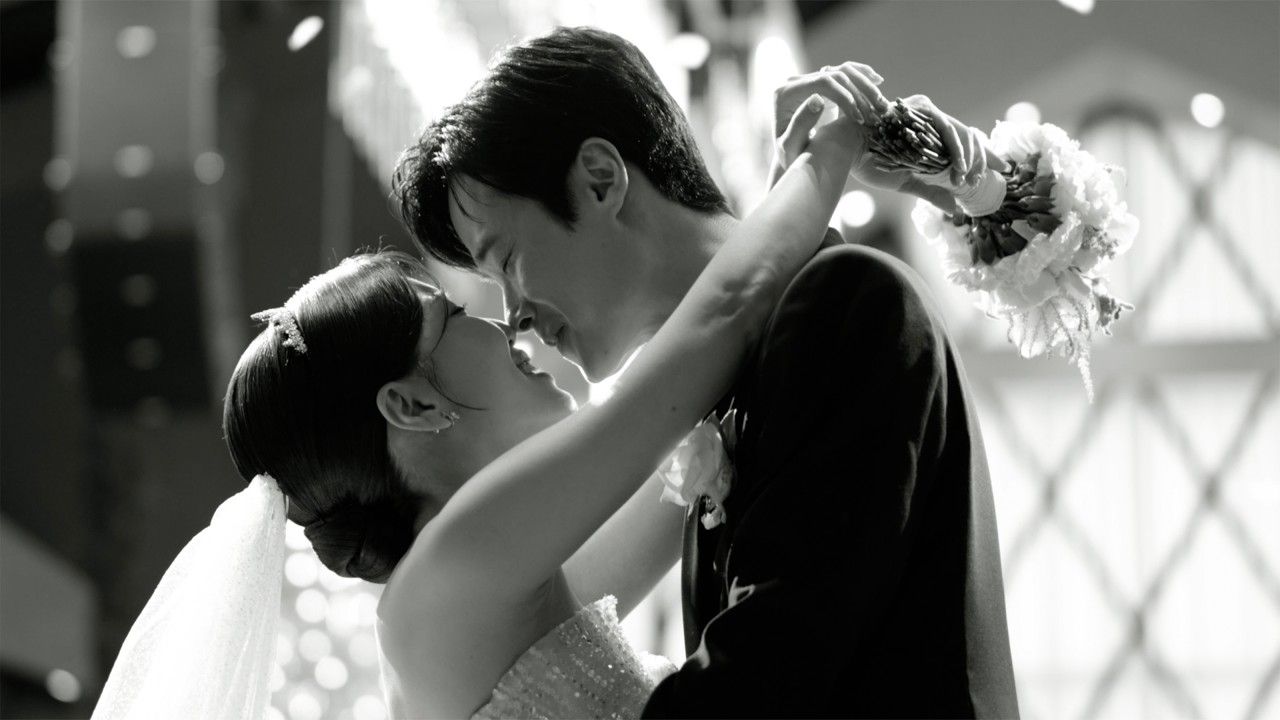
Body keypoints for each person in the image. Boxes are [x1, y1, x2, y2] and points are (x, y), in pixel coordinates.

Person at [91, 53, 892, 720]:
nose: (506, 324)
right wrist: (825, 157)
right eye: (453, 315)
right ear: (412, 403)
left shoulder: (465, 595)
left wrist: (769, 225)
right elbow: (720, 319)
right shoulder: (455, 568)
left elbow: (685, 445)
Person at [393, 26, 1019, 718]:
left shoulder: (845, 300)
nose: (514, 318)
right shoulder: (721, 397)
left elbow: (764, 680)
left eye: (507, 261)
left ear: (600, 180)